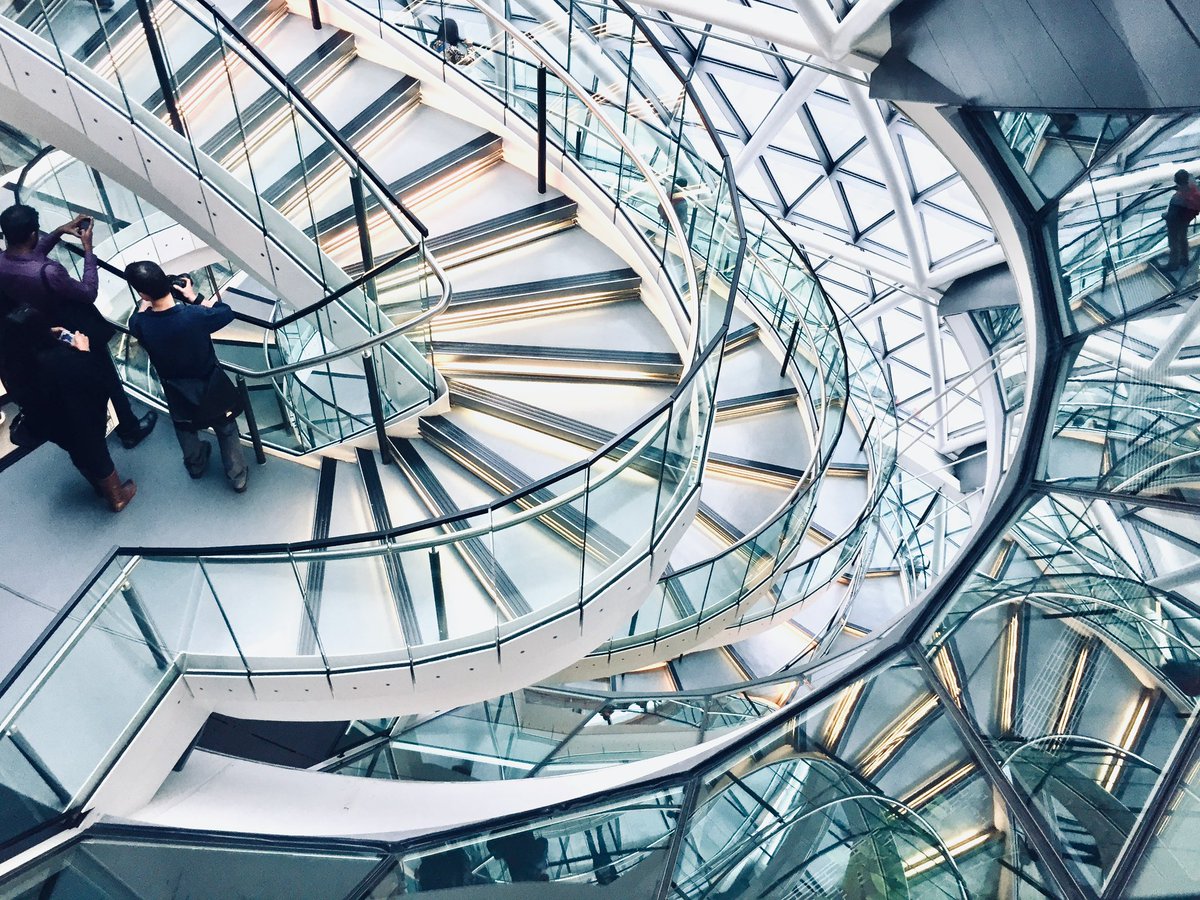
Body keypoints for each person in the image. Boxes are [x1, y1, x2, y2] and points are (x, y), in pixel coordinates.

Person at [0, 204, 157, 448]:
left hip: (43, 330)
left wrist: (59, 232)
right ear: (32, 234)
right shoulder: (49, 272)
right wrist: (88, 249)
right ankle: (129, 428)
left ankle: (96, 421)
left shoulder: (3, 262)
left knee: (76, 377)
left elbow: (29, 257)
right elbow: (88, 292)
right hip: (76, 327)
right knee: (106, 376)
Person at [126, 260, 248, 492]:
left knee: (185, 428)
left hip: (176, 389)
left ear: (142, 294)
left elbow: (136, 321)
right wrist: (193, 297)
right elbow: (226, 312)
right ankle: (237, 476)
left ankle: (196, 465)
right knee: (226, 428)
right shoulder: (194, 316)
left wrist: (145, 303)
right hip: (210, 385)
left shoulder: (141, 324)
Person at [0, 306, 136, 511]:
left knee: (78, 454)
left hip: (51, 424)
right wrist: (84, 352)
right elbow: (96, 380)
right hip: (79, 419)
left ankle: (98, 486)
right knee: (98, 454)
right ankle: (117, 497)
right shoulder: (62, 361)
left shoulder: (13, 366)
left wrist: (45, 335)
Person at [1163, 169, 1200, 270]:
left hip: (1176, 221)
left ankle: (1174, 264)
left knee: (1174, 242)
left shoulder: (1177, 198)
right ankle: (1184, 259)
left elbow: (1171, 215)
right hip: (1187, 218)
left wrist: (1164, 216)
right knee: (1183, 237)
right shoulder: (1193, 188)